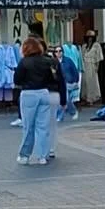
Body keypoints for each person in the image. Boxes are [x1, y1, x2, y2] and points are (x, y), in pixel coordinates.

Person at [12, 36, 64, 164]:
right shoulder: (47, 61)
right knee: (43, 126)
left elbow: (17, 80)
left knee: (28, 126)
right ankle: (43, 156)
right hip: (44, 93)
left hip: (29, 94)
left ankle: (25, 155)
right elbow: (53, 79)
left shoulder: (24, 62)